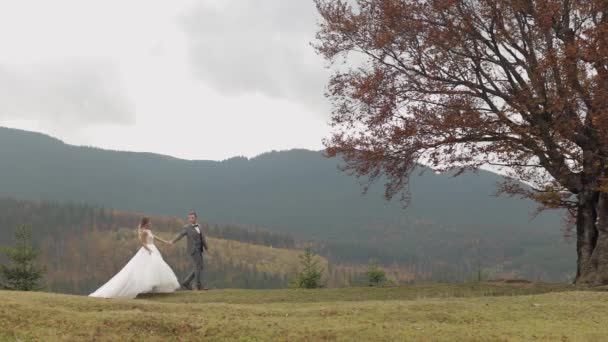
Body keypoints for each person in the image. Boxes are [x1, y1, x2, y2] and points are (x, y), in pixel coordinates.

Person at [89, 217, 180, 299]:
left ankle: (152, 288)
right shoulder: (143, 232)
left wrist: (166, 242)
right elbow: (143, 243)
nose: (150, 223)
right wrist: (149, 250)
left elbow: (155, 238)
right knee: (148, 269)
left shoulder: (148, 231)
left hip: (153, 249)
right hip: (148, 250)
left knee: (154, 269)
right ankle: (148, 287)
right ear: (146, 223)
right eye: (149, 222)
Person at [170, 211, 209, 290]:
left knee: (199, 267)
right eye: (189, 218)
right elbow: (180, 235)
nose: (191, 219)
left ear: (196, 218)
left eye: (192, 218)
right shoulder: (187, 228)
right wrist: (172, 241)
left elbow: (203, 238)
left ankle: (186, 282)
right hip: (193, 250)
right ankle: (198, 286)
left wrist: (206, 248)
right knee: (197, 267)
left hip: (199, 249)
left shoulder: (200, 226)